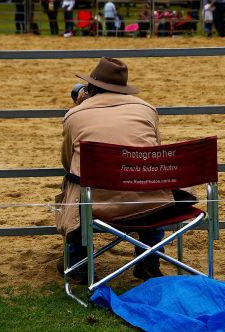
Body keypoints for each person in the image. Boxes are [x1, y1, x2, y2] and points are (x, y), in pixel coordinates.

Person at [57, 57, 182, 284]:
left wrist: (81, 106)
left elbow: (67, 162)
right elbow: (154, 153)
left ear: (91, 88)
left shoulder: (75, 116)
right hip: (148, 202)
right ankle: (149, 261)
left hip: (95, 204)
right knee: (149, 183)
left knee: (73, 183)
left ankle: (78, 263)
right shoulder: (147, 110)